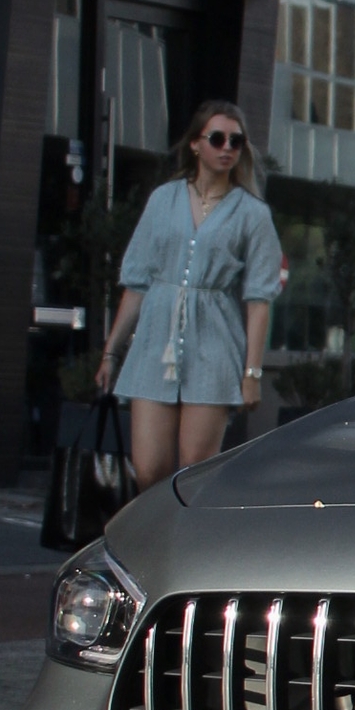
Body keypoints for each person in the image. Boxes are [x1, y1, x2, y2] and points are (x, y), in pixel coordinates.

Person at [96, 102, 287, 486]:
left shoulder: (252, 213)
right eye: (217, 138)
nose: (227, 147)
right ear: (196, 145)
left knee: (193, 473)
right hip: (154, 344)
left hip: (214, 349)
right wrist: (111, 351)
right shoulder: (162, 200)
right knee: (149, 470)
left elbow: (258, 301)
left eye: (236, 140)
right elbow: (137, 284)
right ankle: (155, 545)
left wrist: (252, 373)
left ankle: (182, 545)